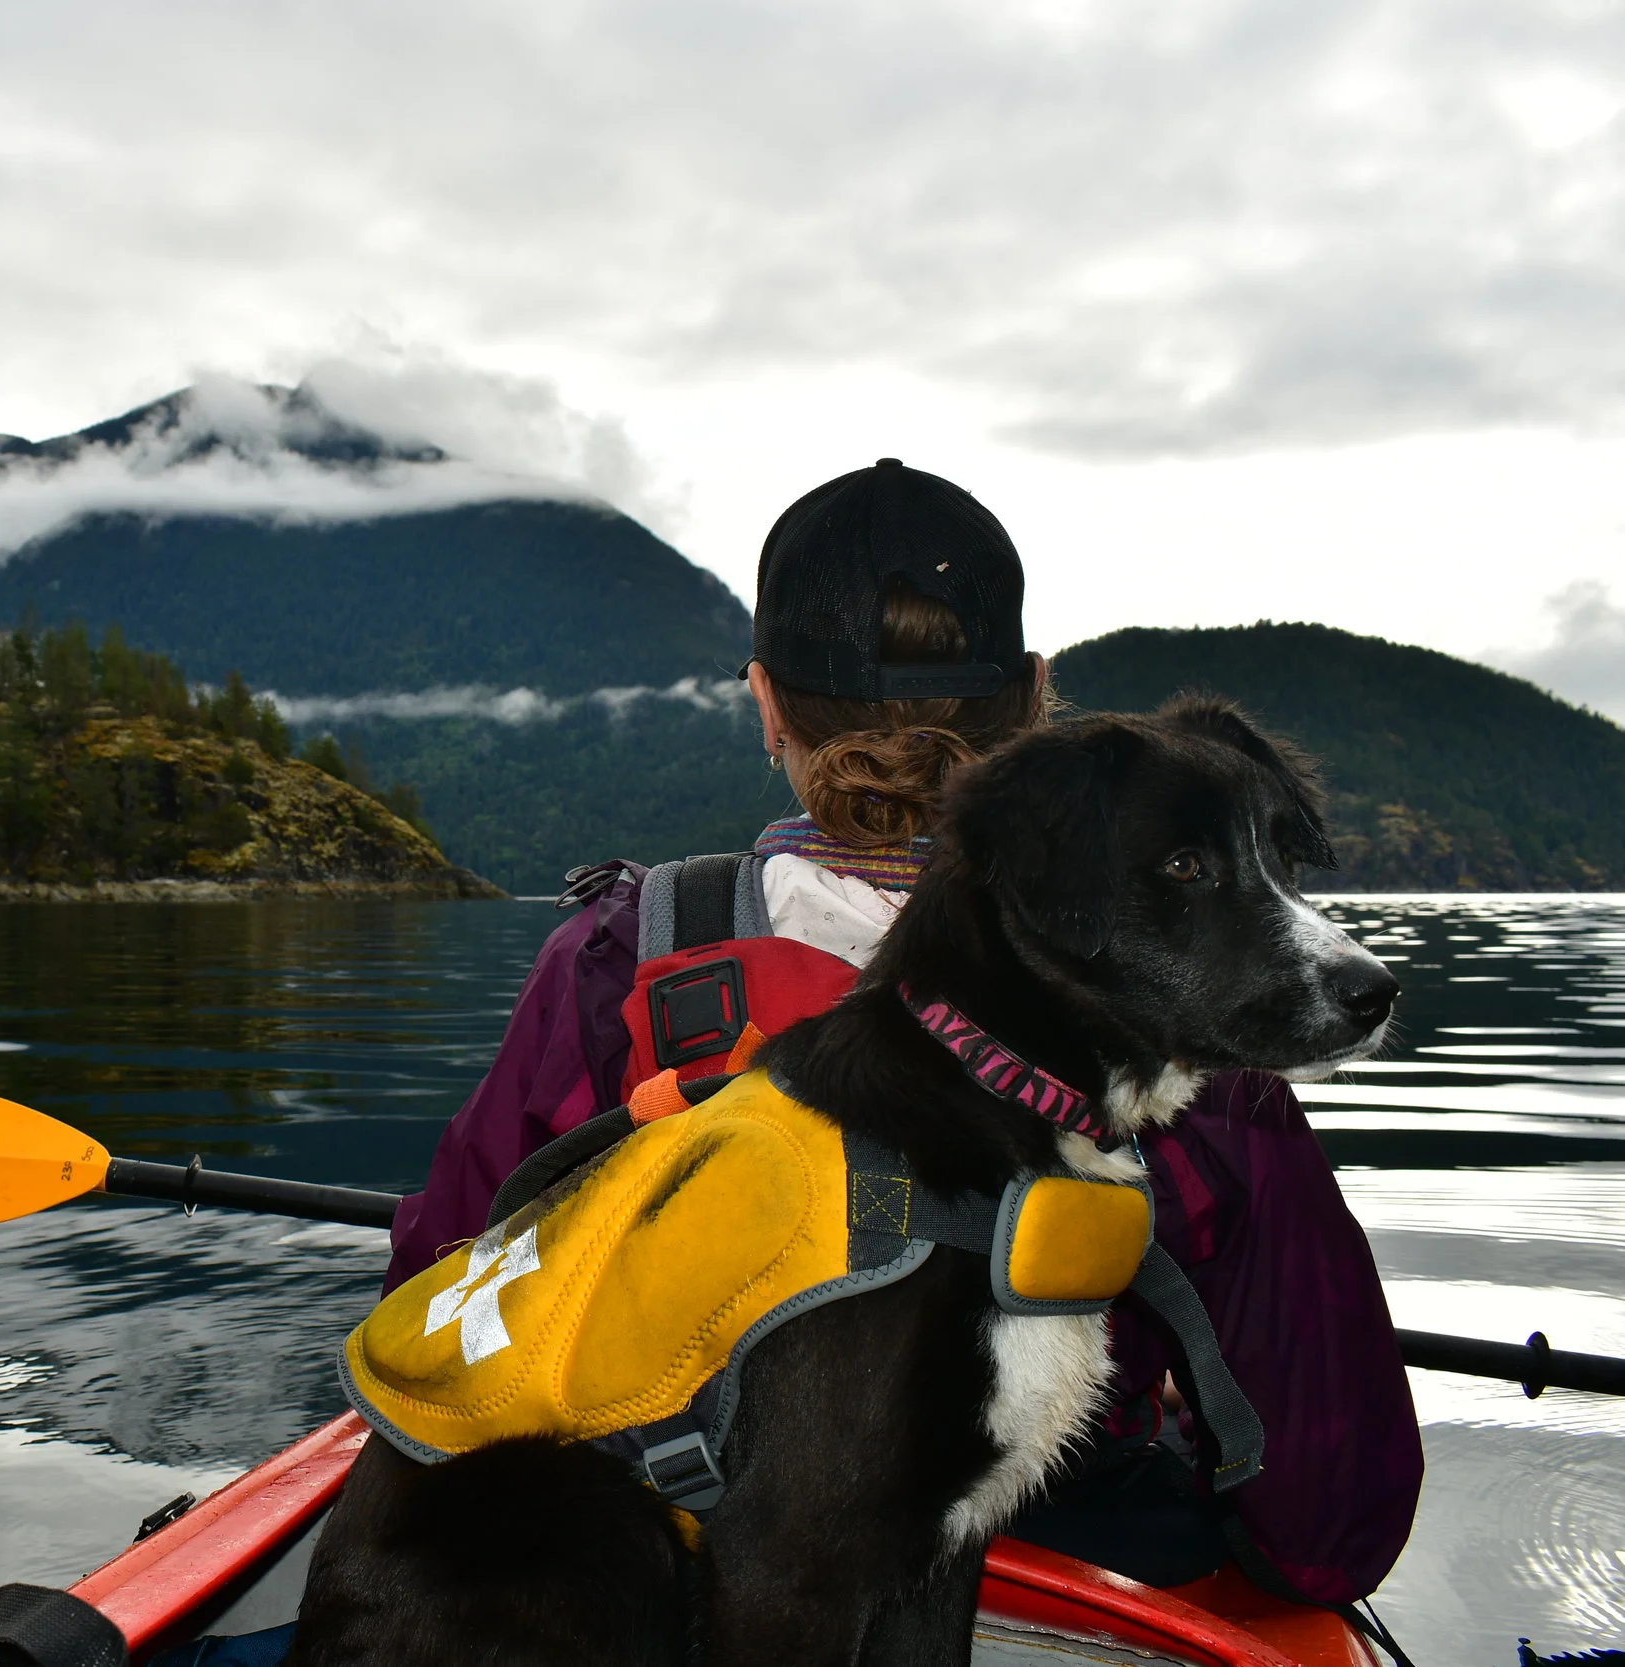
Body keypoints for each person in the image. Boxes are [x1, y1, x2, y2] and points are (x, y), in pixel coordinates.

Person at [383, 459, 1423, 1609]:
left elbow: (443, 1308)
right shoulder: (1173, 1024)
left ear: (765, 702)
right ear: (1035, 694)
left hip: (637, 1549)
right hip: (1060, 1542)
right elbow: (1328, 1524)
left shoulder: (621, 952)